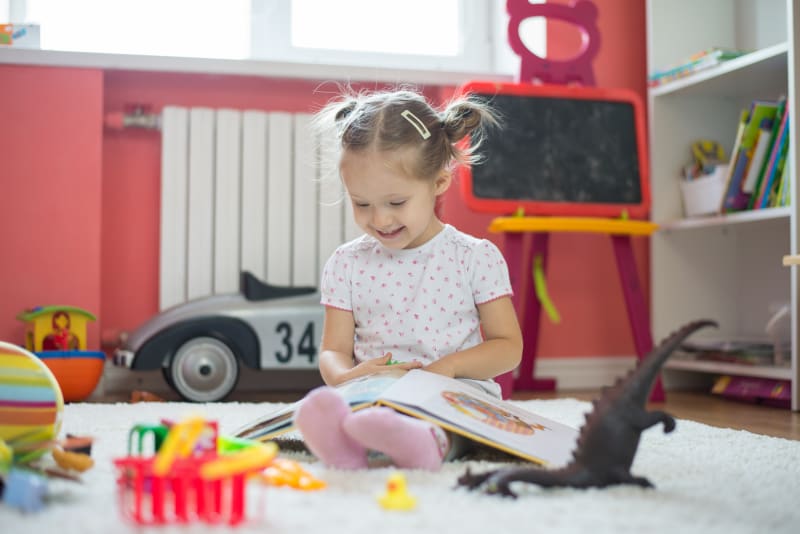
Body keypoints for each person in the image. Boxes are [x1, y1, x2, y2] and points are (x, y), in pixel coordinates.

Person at [294, 88, 523, 471]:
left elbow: (508, 347)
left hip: (456, 393)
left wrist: (448, 368)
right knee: (358, 413)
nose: (379, 220)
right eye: (362, 204)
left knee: (454, 424)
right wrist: (347, 376)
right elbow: (332, 350)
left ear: (439, 182)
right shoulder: (346, 263)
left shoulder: (474, 257)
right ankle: (350, 444)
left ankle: (421, 445)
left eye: (396, 203)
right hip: (378, 393)